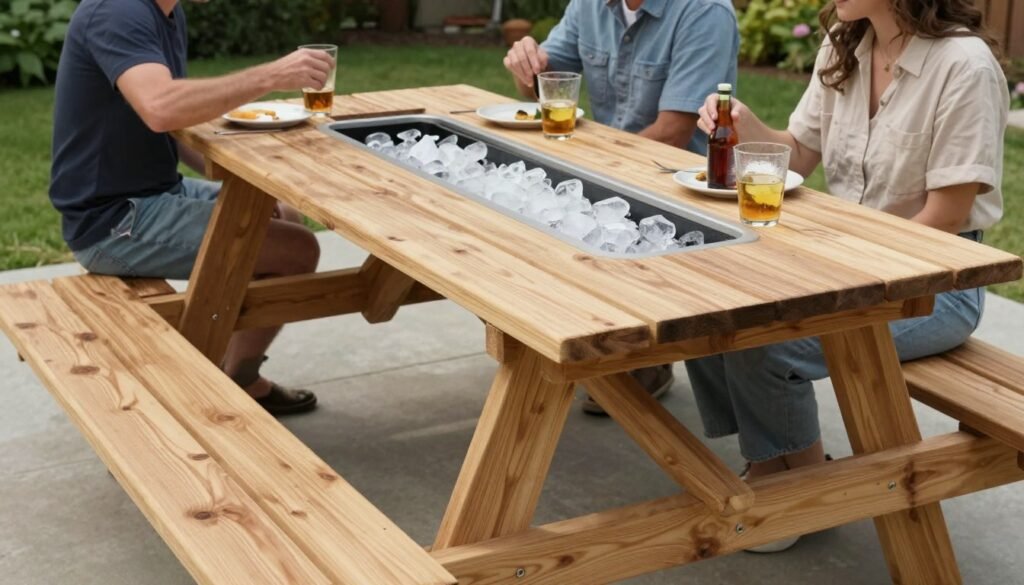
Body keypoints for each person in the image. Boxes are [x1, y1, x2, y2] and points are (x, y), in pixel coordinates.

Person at [688, 0, 1008, 551]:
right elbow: (795, 155)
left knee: (770, 342)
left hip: (936, 286)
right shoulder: (846, 43)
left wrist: (839, 276)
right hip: (847, 267)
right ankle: (781, 470)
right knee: (704, 303)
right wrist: (743, 125)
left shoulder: (965, 66)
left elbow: (946, 217)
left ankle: (805, 496)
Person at [50, 0, 333, 415]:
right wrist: (273, 75)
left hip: (155, 193)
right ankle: (222, 384)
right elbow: (162, 107)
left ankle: (230, 373)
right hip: (112, 220)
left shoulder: (165, 13)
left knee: (279, 213)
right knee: (297, 250)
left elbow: (172, 123)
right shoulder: (117, 11)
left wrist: (249, 179)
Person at [503, 0, 740, 413]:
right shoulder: (589, 5)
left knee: (548, 234)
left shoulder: (705, 12)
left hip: (680, 195)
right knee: (504, 231)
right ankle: (564, 347)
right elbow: (543, 86)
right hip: (611, 173)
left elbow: (672, 133)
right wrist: (526, 65)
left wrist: (588, 177)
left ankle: (634, 355)